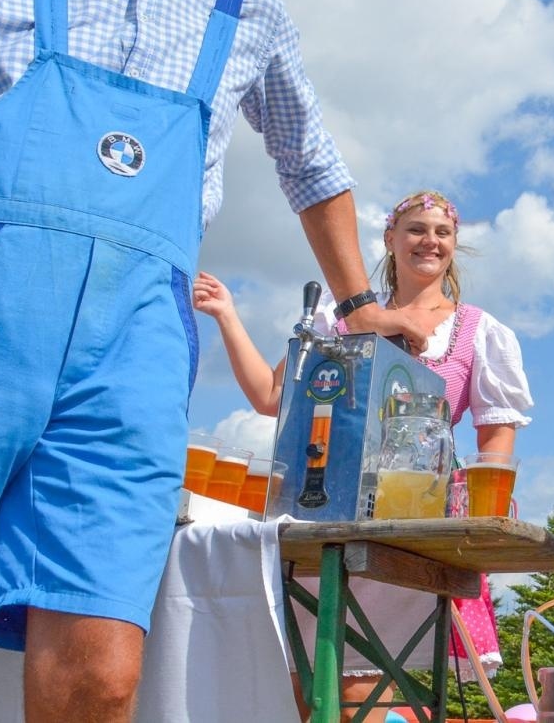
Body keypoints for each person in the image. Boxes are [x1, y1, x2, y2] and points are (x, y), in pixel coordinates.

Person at [0, 0, 423, 723]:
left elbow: (312, 166)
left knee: (98, 664)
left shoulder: (248, 15)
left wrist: (363, 306)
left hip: (132, 354)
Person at [195, 188, 533, 722]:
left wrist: (474, 519)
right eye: (417, 229)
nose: (431, 241)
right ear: (389, 239)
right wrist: (227, 315)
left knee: (362, 690)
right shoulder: (340, 316)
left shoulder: (478, 331)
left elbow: (497, 441)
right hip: (322, 510)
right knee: (300, 689)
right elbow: (270, 400)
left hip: (410, 522)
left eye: (443, 233)